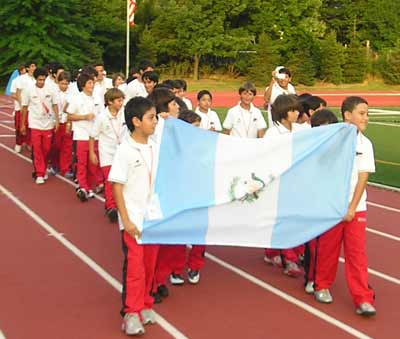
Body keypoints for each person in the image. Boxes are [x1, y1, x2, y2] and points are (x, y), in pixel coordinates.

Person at [313, 96, 376, 317]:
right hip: (332, 208)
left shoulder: (365, 144)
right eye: (361, 113)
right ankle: (322, 285)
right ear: (347, 115)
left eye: (367, 113)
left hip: (355, 208)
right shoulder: (332, 139)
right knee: (328, 250)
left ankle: (363, 298)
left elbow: (363, 178)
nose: (365, 117)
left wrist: (351, 208)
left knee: (357, 254)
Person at [108, 96, 160, 335]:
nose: (155, 122)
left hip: (153, 220)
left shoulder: (155, 145)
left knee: (150, 267)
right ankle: (131, 312)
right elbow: (117, 186)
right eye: (151, 118)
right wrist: (126, 220)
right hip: (134, 222)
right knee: (135, 269)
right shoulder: (125, 150)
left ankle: (145, 304)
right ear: (136, 121)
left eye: (156, 117)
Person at [263, 94, 303, 277]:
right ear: (282, 112)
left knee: (292, 219)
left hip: (296, 181)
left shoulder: (300, 130)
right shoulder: (273, 133)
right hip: (278, 181)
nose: (296, 113)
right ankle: (289, 257)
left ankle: (280, 252)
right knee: (280, 219)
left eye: (297, 109)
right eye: (292, 110)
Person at [303, 109, 338, 294]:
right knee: (314, 245)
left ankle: (321, 278)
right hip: (314, 203)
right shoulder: (310, 149)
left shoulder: (340, 148)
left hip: (333, 203)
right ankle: (311, 278)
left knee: (329, 247)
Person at [89, 88, 126, 222]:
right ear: (110, 102)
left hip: (122, 152)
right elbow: (92, 135)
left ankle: (117, 204)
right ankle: (111, 207)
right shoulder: (101, 117)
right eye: (118, 100)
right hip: (107, 154)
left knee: (121, 181)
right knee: (110, 180)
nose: (121, 103)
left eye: (122, 100)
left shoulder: (124, 113)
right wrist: (92, 153)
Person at [67, 73, 103, 201]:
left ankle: (89, 186)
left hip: (95, 136)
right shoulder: (77, 99)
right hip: (81, 135)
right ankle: (83, 187)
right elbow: (69, 116)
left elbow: (101, 115)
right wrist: (84, 117)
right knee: (82, 163)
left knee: (93, 164)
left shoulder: (97, 98)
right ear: (83, 85)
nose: (92, 85)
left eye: (92, 83)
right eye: (89, 83)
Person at [20, 67, 59, 184]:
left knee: (46, 149)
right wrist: (23, 124)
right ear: (35, 79)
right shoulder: (28, 90)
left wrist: (57, 120)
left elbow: (55, 105)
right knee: (37, 149)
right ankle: (39, 173)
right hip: (35, 123)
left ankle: (44, 167)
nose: (41, 82)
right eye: (39, 80)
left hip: (48, 123)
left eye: (43, 80)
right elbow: (25, 107)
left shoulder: (51, 89)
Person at [49, 71, 74, 178]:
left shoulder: (72, 93)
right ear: (58, 82)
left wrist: (69, 122)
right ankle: (55, 165)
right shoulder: (53, 92)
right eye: (62, 83)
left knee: (67, 147)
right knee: (56, 145)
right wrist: (55, 120)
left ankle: (66, 168)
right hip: (55, 122)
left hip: (66, 122)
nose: (64, 86)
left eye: (66, 83)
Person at [10, 65, 27, 153]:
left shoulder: (32, 80)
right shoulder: (16, 81)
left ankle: (28, 143)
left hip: (30, 109)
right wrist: (22, 101)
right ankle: (18, 143)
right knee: (19, 127)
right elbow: (13, 94)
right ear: (21, 71)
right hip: (19, 108)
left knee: (29, 127)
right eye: (24, 69)